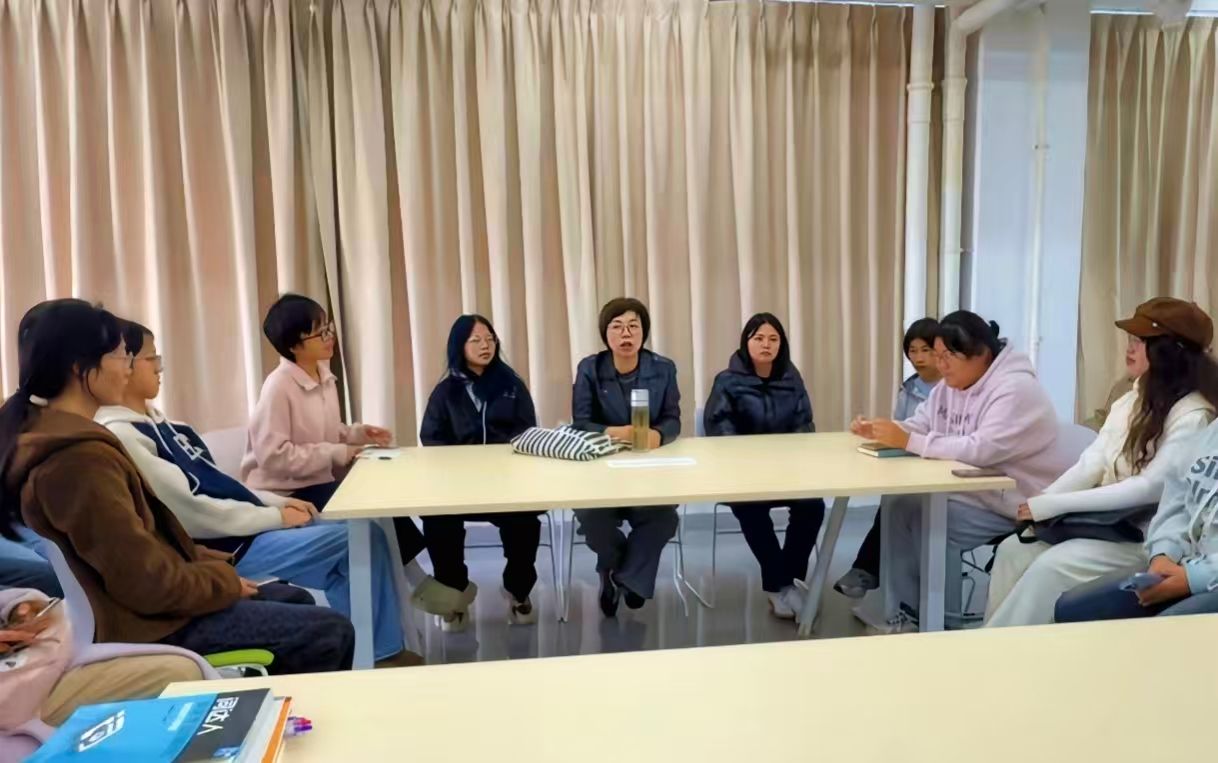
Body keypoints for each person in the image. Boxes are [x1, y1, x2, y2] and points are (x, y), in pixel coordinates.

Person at [0, 299, 355, 675]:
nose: (128, 368)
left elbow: (143, 547)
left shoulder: (69, 441)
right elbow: (142, 580)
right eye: (121, 356)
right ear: (80, 367)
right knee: (329, 633)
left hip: (149, 608)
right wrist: (221, 583)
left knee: (294, 599)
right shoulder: (76, 461)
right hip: (148, 626)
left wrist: (211, 568)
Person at [96, 320, 416, 666]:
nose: (160, 368)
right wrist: (275, 514)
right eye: (151, 359)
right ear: (125, 365)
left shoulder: (172, 427)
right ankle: (381, 655)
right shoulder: (126, 435)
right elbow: (191, 511)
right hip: (227, 543)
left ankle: (370, 651)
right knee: (356, 541)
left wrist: (281, 503)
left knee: (364, 534)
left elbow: (224, 485)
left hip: (249, 521)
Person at [986, 298, 1218, 627]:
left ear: (1169, 352)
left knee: (1051, 568)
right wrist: (1043, 500)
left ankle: (1007, 650)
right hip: (1105, 524)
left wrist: (1053, 505)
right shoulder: (1132, 399)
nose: (1130, 348)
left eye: (1142, 341)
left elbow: (1152, 488)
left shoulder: (1194, 415)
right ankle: (987, 642)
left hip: (1141, 535)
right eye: (1131, 339)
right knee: (1013, 550)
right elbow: (1092, 461)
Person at [845, 311, 1071, 628]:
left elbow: (981, 449)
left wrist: (909, 440)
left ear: (982, 354)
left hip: (1018, 501)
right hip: (975, 491)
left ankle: (943, 623)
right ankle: (905, 611)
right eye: (938, 356)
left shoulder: (1016, 389)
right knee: (898, 506)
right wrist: (882, 430)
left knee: (934, 524)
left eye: (948, 356)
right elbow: (921, 424)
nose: (940, 365)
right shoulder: (950, 385)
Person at [240, 294, 426, 568]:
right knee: (371, 505)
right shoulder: (277, 387)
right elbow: (274, 457)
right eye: (321, 333)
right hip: (285, 493)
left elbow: (323, 432)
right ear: (294, 346)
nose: (330, 337)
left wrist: (358, 434)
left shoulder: (323, 376)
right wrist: (338, 453)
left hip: (315, 481)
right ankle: (410, 578)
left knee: (381, 497)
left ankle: (411, 576)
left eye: (328, 328)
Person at [417, 315, 542, 631]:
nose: (485, 346)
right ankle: (454, 595)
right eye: (476, 340)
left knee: (525, 521)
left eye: (490, 339)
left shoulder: (511, 386)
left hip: (507, 485)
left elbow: (527, 432)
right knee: (437, 520)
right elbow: (430, 438)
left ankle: (518, 590)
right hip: (458, 487)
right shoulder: (445, 392)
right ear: (459, 346)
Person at [703, 313, 824, 620]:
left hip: (787, 471)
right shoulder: (727, 380)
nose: (766, 345)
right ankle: (780, 584)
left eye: (773, 339)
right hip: (743, 474)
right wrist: (750, 460)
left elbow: (805, 423)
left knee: (813, 506)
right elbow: (719, 427)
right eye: (758, 338)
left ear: (781, 344)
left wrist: (791, 456)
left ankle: (787, 580)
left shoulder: (791, 378)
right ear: (746, 342)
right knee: (751, 508)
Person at [1, 587, 206, 759]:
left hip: (45, 658)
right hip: (20, 701)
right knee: (179, 675)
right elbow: (163, 585)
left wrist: (19, 608)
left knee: (179, 673)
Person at [572, 298, 681, 617]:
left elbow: (673, 418)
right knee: (593, 520)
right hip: (601, 471)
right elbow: (580, 423)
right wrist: (615, 432)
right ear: (605, 334)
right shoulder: (590, 368)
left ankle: (622, 577)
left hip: (649, 469)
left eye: (634, 326)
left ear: (644, 332)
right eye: (617, 327)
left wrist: (658, 434)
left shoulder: (663, 368)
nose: (626, 333)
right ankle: (629, 573)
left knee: (664, 518)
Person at [1054, 415, 1218, 623]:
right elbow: (1178, 502)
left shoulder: (1193, 416)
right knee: (1073, 608)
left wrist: (1194, 578)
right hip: (1190, 562)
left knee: (1163, 630)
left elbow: (1148, 486)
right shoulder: (1209, 436)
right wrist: (1164, 554)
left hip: (1206, 574)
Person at [835, 317, 941, 599]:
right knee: (893, 502)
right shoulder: (909, 388)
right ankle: (878, 576)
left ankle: (867, 571)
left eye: (926, 350)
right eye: (912, 351)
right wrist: (871, 429)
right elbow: (901, 427)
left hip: (939, 463)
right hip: (910, 461)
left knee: (898, 505)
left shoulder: (952, 388)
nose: (918, 358)